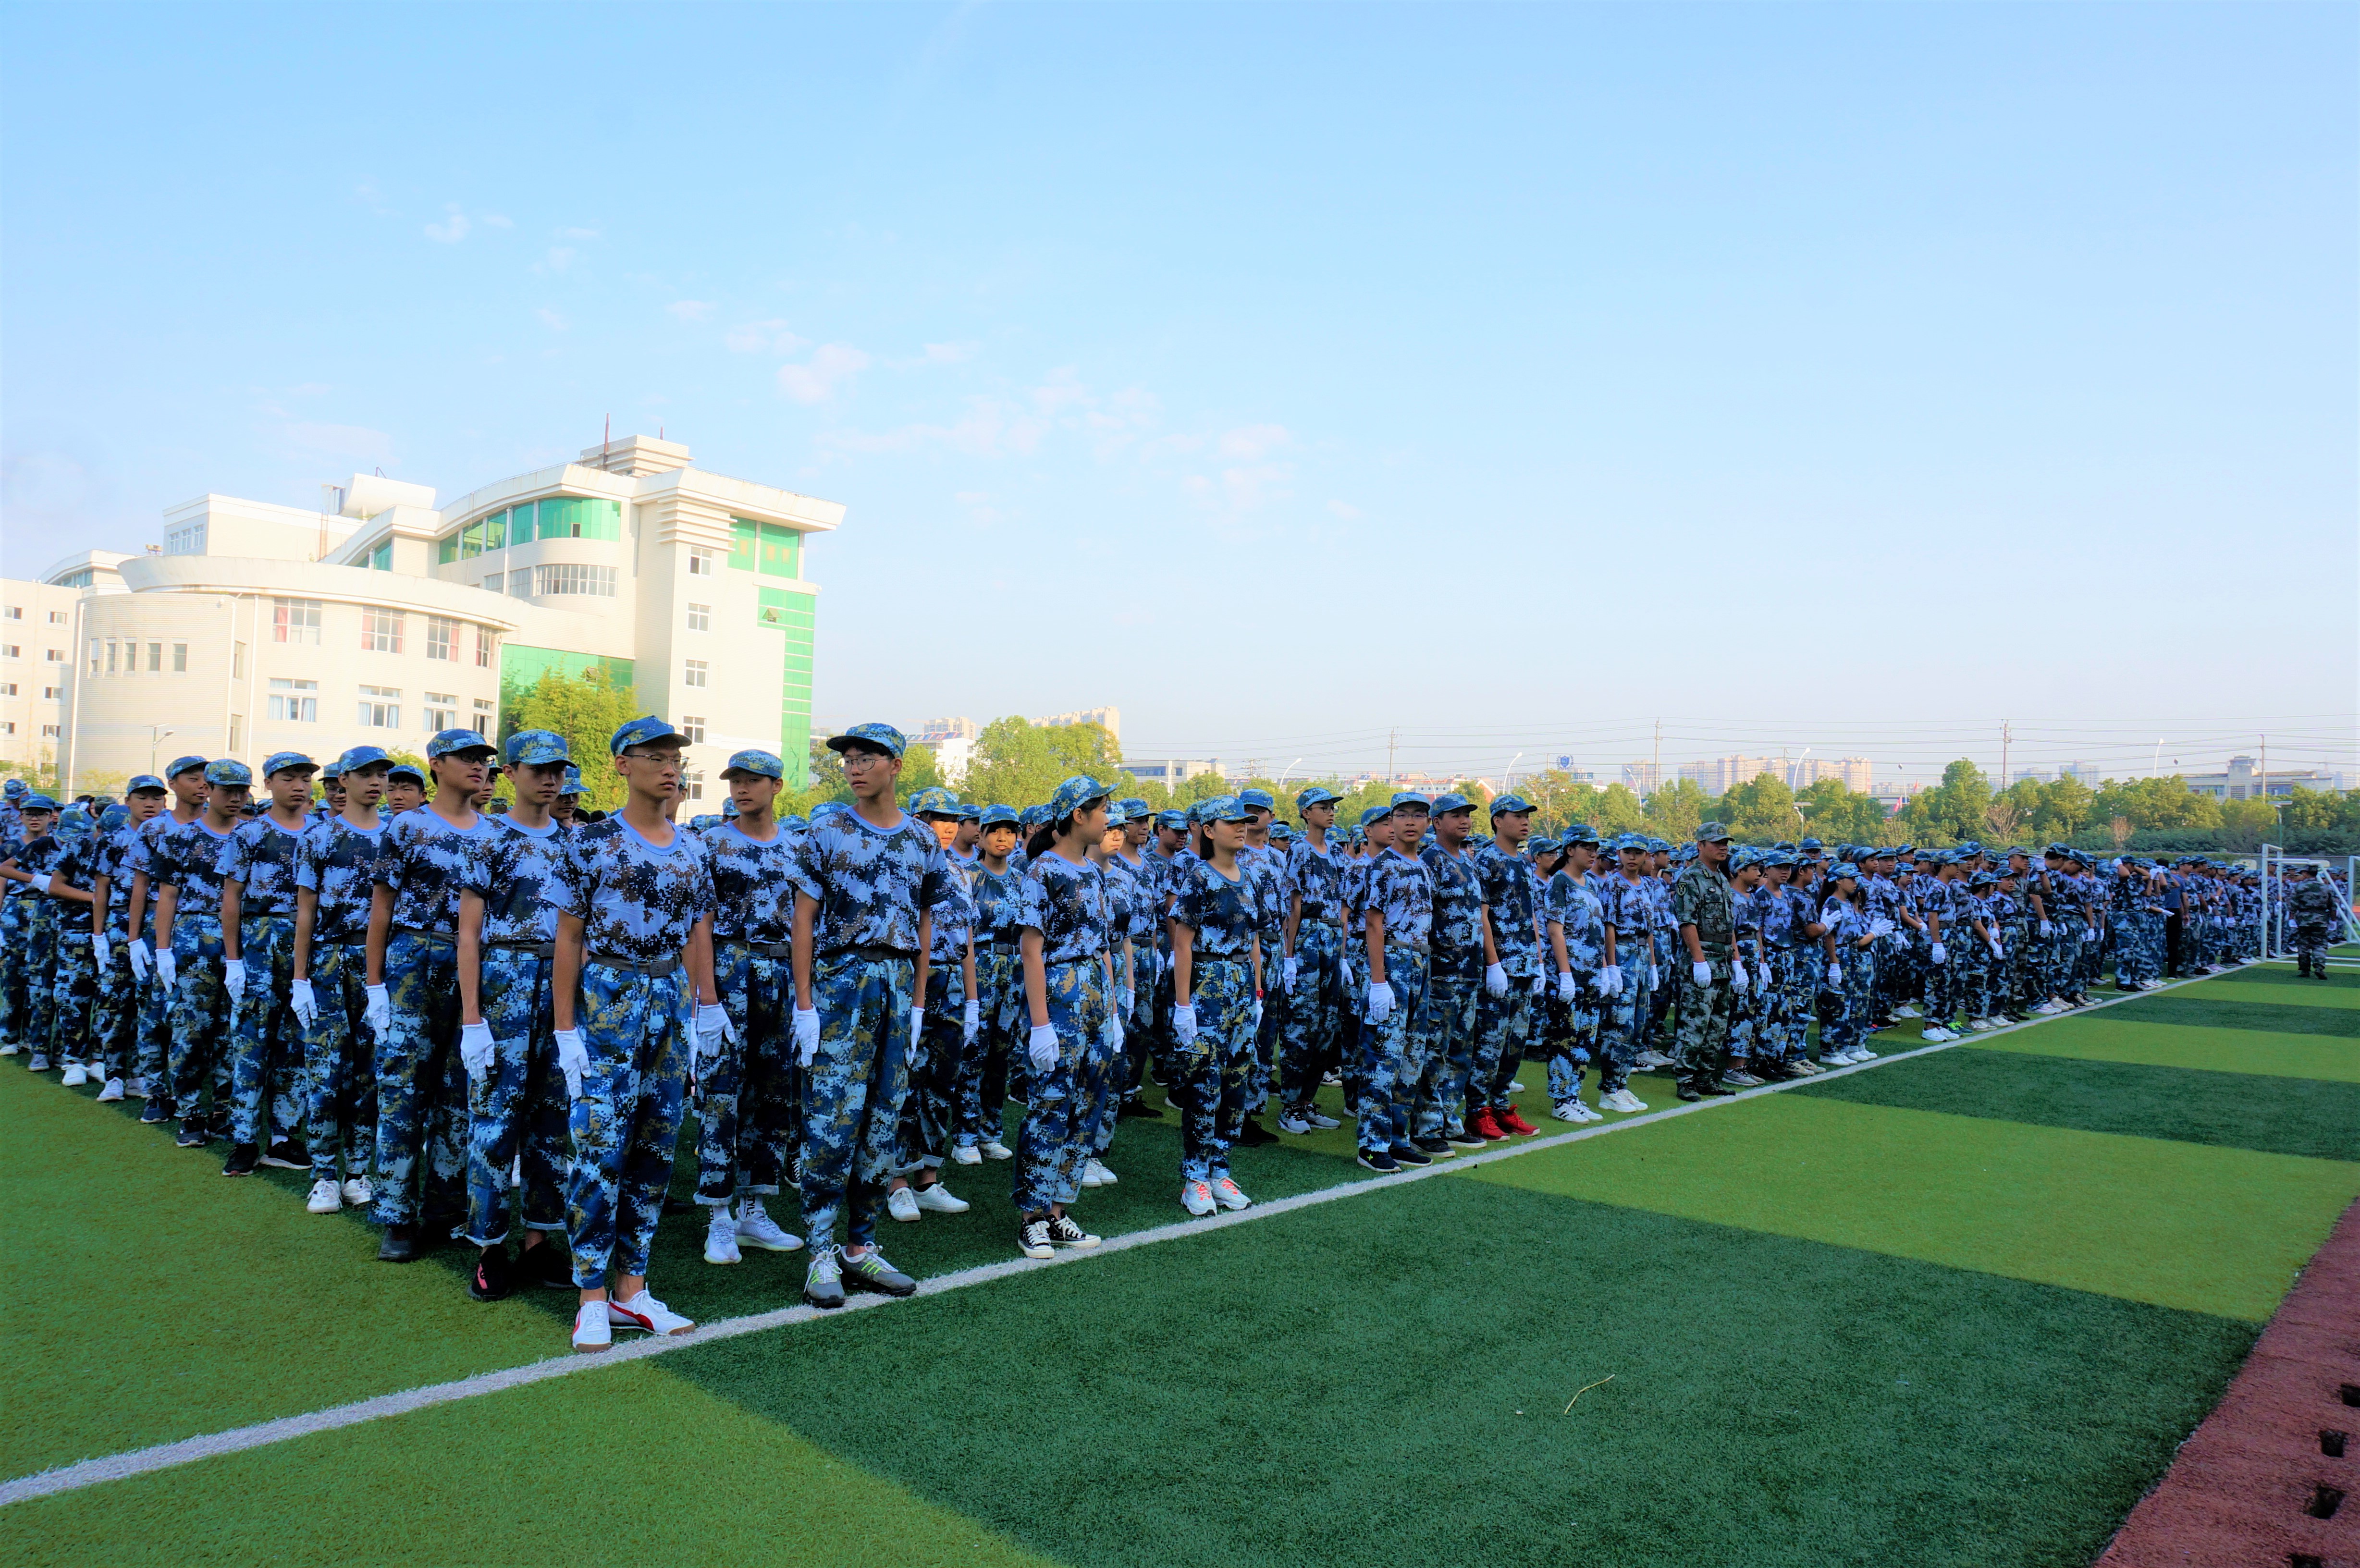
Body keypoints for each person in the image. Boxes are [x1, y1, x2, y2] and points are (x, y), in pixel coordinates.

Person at [550, 715, 721, 1350]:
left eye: (675, 757)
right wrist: (565, 1029)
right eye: (654, 756)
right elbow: (568, 939)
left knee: (656, 1146)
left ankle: (633, 1288)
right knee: (599, 1150)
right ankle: (591, 1295)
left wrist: (700, 1013)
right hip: (609, 996)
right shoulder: (591, 842)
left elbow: (697, 934)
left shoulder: (692, 847)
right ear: (623, 764)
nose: (669, 767)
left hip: (668, 996)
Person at [786, 723, 949, 1308]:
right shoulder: (827, 829)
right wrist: (805, 1004)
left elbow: (926, 922)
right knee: (831, 1123)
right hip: (840, 986)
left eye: (867, 759)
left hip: (898, 985)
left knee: (883, 1122)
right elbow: (802, 919)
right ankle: (820, 1252)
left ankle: (861, 1246)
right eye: (849, 760)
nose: (854, 768)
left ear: (896, 766)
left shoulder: (922, 839)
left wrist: (919, 1002)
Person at [366, 728, 499, 1261]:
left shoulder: (494, 831)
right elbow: (381, 907)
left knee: (461, 1088)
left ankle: (445, 1207)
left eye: (483, 759)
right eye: (466, 758)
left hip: (474, 963)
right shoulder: (409, 826)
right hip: (415, 958)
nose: (478, 767)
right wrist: (375, 983)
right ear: (437, 765)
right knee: (404, 1086)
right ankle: (397, 1214)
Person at [452, 730, 576, 1299]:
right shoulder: (488, 838)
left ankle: (538, 1241)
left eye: (558, 770)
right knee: (495, 1120)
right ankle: (488, 1247)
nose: (550, 780)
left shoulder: (574, 841)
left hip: (560, 982)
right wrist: (471, 1017)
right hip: (504, 980)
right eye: (538, 769)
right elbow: (469, 933)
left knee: (553, 1120)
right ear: (511, 773)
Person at [693, 748, 811, 1265]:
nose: (741, 789)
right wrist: (706, 999)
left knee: (773, 1094)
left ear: (776, 787)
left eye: (753, 780)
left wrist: (805, 1001)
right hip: (729, 970)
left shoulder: (799, 848)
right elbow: (698, 924)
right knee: (722, 1093)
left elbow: (808, 925)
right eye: (735, 781)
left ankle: (754, 1209)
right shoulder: (711, 844)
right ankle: (718, 1215)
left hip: (781, 974)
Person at [290, 746, 391, 1213]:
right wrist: (300, 977)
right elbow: (306, 911)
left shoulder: (395, 834)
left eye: (382, 774)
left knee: (370, 1072)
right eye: (365, 774)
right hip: (330, 961)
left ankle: (357, 1172)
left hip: (379, 965)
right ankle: (324, 1176)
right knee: (326, 1071)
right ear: (343, 780)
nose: (376, 782)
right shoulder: (320, 837)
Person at [217, 751, 320, 1176]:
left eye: (305, 779)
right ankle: (243, 1137)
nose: (299, 786)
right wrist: (233, 959)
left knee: (296, 1043)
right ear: (269, 784)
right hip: (260, 941)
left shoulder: (322, 831)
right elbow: (231, 897)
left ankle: (284, 1137)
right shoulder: (250, 833)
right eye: (289, 778)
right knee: (252, 1042)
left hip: (307, 943)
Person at [150, 763, 256, 1145]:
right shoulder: (181, 838)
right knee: (191, 1028)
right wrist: (163, 949)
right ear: (209, 789)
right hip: (194, 938)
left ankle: (224, 1110)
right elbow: (168, 896)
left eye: (242, 790)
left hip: (242, 937)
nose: (236, 798)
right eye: (228, 790)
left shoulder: (253, 835)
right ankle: (190, 1111)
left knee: (234, 1029)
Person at [1168, 795, 1262, 1215]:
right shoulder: (1199, 878)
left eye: (1245, 821)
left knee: (1236, 1083)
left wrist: (1257, 994)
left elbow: (1253, 940)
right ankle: (1195, 1175)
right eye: (1231, 822)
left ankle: (1219, 1168)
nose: (1242, 827)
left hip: (1241, 987)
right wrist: (1183, 1005)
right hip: (1208, 986)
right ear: (1208, 830)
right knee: (1205, 1083)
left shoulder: (1249, 877)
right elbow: (1182, 944)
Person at [887, 785, 977, 1220]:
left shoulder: (961, 873)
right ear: (918, 820)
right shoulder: (902, 867)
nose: (947, 827)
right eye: (937, 818)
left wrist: (973, 1000)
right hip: (912, 980)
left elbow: (968, 939)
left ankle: (928, 1177)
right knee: (905, 1080)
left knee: (943, 1082)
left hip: (952, 982)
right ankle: (896, 1180)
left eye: (952, 819)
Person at [1356, 793, 1435, 1174]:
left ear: (1428, 822)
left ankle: (1398, 1138)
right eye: (1402, 815)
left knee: (1412, 1057)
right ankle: (1372, 1144)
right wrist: (1378, 981)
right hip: (1392, 960)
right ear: (1391, 822)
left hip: (1421, 962)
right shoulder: (1383, 865)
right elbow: (1373, 924)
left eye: (1418, 815)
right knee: (1383, 1056)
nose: (1410, 822)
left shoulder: (1423, 865)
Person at [84, 778, 168, 1100]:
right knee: (116, 1002)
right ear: (129, 801)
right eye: (142, 797)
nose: (150, 804)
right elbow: (101, 888)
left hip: (158, 922)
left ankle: (144, 1074)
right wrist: (98, 935)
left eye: (156, 798)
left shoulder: (171, 836)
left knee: (151, 1005)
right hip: (119, 923)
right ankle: (114, 1075)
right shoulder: (113, 839)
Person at [1469, 793, 1544, 1138]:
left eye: (1527, 816)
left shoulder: (1525, 862)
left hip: (1525, 965)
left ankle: (1500, 1106)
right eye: (1518, 816)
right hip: (1501, 967)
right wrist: (1493, 964)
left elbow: (1530, 915)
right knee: (1489, 1043)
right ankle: (1478, 1111)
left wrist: (1539, 961)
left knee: (1515, 1045)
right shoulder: (1487, 860)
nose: (1525, 821)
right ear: (1498, 821)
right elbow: (1481, 915)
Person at [1276, 786, 1348, 1135]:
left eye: (1333, 807)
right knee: (1301, 1026)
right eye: (1323, 807)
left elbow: (1344, 905)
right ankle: (1290, 1105)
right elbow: (1294, 905)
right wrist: (1289, 957)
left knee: (1327, 1026)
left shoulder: (1336, 851)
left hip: (1332, 939)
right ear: (1306, 813)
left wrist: (1343, 955)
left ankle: (1307, 1102)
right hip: (1308, 938)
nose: (1330, 812)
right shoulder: (1300, 850)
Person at [958, 804, 1026, 1164]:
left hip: (1013, 970)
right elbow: (963, 936)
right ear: (981, 836)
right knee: (974, 1052)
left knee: (1003, 1053)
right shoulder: (968, 877)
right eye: (995, 831)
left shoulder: (1022, 879)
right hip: (980, 967)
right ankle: (965, 1135)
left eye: (1010, 832)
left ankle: (990, 1132)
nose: (1003, 838)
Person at [1669, 822, 1746, 1102]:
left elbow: (1729, 925)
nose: (1723, 847)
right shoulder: (1690, 878)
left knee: (1717, 1025)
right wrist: (1699, 961)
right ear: (1700, 845)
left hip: (1722, 958)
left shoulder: (1721, 879)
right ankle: (1686, 1079)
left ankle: (1705, 1077)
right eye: (1716, 843)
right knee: (1695, 1023)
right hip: (1702, 959)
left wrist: (1736, 961)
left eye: (1725, 843)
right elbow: (1687, 922)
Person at [2286, 865, 2343, 978]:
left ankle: (2305, 969)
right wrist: (2333, 920)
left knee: (2304, 944)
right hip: (2321, 919)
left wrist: (2291, 918)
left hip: (2304, 919)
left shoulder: (2299, 887)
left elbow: (2293, 904)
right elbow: (2332, 906)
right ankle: (2319, 966)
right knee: (2320, 944)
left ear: (2306, 874)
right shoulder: (2326, 888)